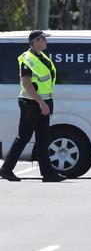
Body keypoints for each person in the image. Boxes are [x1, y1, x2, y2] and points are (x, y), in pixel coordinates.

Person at [0, 31, 65, 182]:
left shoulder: (41, 57)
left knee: (42, 139)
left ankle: (48, 174)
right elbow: (26, 83)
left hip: (42, 102)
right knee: (24, 137)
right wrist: (40, 102)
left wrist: (44, 102)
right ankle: (6, 169)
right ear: (36, 41)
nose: (46, 41)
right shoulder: (28, 59)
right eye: (43, 38)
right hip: (31, 103)